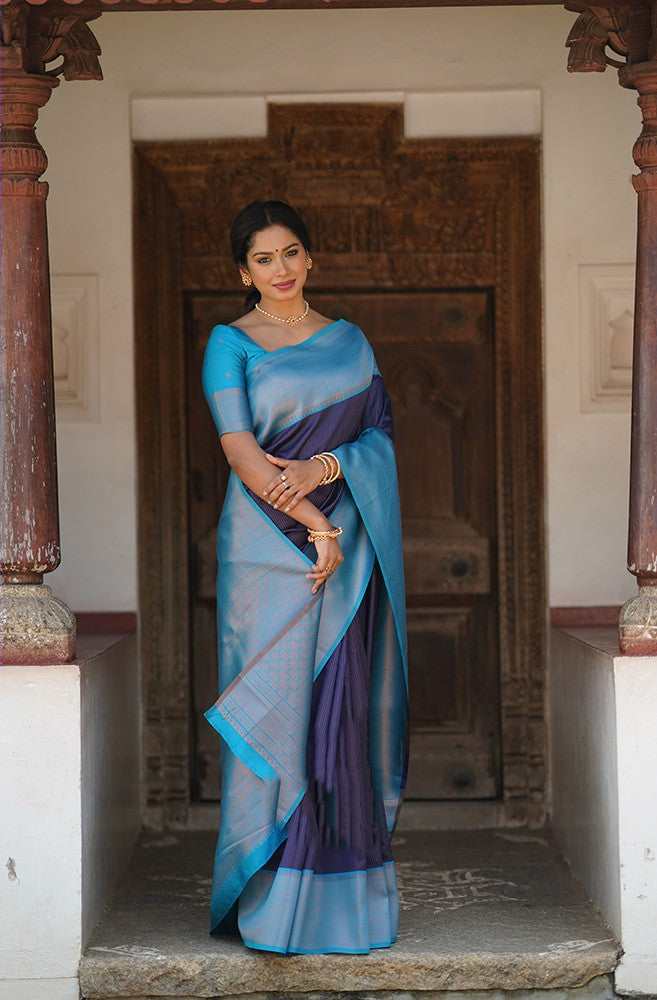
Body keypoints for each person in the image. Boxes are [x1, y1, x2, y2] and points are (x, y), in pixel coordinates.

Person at [202, 199, 408, 955]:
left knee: (336, 713)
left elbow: (377, 438)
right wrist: (316, 524)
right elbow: (241, 449)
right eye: (263, 259)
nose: (280, 270)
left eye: (290, 253)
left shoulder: (349, 342)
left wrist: (329, 471)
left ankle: (341, 908)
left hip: (345, 558)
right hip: (268, 549)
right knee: (277, 714)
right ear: (242, 271)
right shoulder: (229, 345)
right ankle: (270, 899)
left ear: (310, 258)